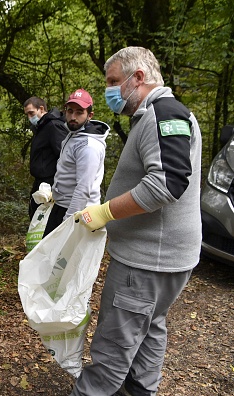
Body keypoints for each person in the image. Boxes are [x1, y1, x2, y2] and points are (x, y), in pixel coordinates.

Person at [72, 47, 202, 395]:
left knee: (114, 346)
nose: (109, 90)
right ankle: (142, 389)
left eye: (114, 81)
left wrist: (104, 212)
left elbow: (167, 184)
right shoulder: (156, 115)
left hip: (148, 261)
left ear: (138, 77)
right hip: (166, 259)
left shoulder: (164, 114)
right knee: (150, 326)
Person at [39, 88, 109, 237]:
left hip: (78, 212)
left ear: (89, 115)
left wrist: (68, 222)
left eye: (79, 112)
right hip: (61, 206)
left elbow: (83, 188)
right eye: (70, 111)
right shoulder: (73, 135)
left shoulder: (88, 146)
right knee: (49, 256)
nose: (72, 116)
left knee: (65, 258)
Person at [23, 96, 68, 220]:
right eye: (27, 114)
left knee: (46, 222)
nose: (29, 117)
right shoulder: (40, 128)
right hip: (40, 183)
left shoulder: (53, 126)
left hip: (51, 184)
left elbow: (64, 157)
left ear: (41, 109)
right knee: (36, 219)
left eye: (31, 113)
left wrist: (58, 186)